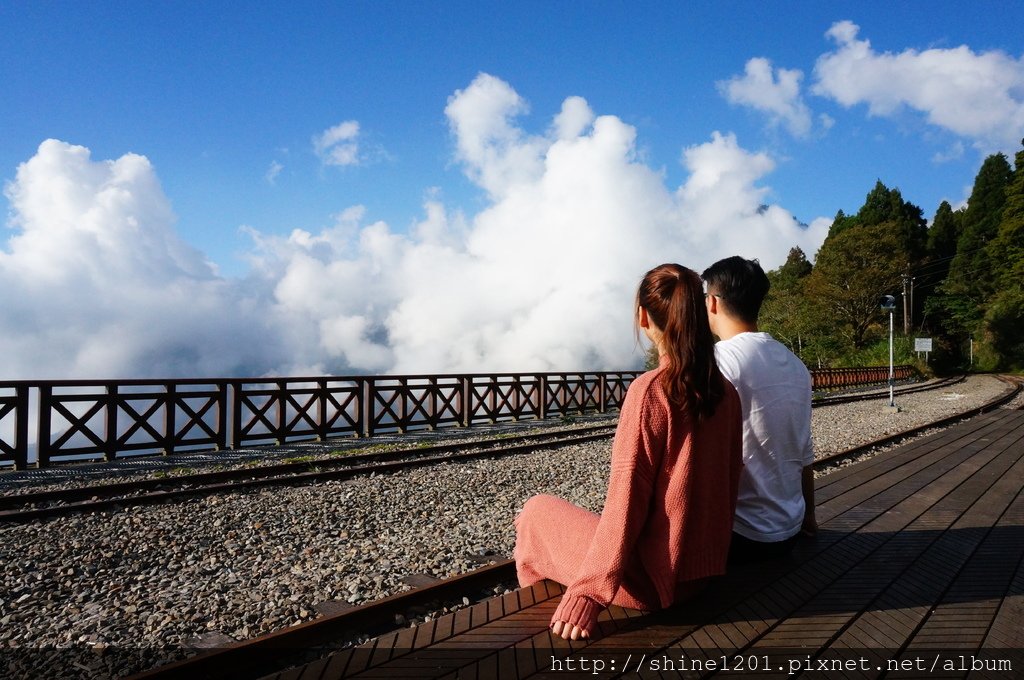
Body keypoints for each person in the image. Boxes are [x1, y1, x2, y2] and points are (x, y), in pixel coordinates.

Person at [513, 263, 744, 641]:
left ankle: (540, 609)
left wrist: (588, 594)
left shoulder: (650, 391)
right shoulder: (727, 393)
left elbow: (626, 501)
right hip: (703, 574)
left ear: (643, 317)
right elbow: (730, 480)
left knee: (536, 512)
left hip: (653, 583)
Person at [700, 256, 816, 564]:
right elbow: (805, 454)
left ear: (712, 302)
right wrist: (809, 518)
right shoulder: (797, 366)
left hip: (739, 535)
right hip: (788, 531)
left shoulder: (717, 362)